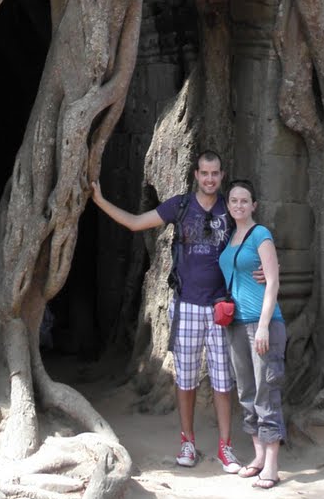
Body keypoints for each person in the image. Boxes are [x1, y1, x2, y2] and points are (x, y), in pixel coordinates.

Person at [91, 150, 239, 471]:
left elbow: (251, 242)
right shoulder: (180, 206)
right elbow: (135, 223)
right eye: (204, 173)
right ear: (196, 175)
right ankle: (187, 442)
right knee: (185, 379)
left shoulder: (230, 208)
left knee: (223, 381)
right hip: (186, 305)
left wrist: (261, 271)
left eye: (215, 173)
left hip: (220, 307)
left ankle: (226, 447)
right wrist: (99, 200)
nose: (210, 179)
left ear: (221, 176)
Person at [217, 178, 286, 489]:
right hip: (235, 324)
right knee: (246, 391)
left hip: (262, 324)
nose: (239, 205)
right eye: (234, 200)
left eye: (244, 200)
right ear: (228, 205)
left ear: (254, 205)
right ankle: (258, 457)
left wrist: (262, 326)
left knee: (266, 391)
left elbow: (272, 281)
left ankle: (272, 465)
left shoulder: (261, 234)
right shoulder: (230, 237)